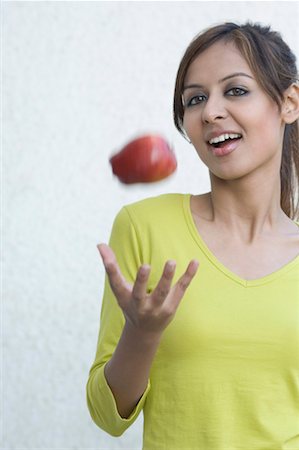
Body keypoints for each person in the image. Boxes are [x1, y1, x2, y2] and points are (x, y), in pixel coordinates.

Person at [86, 22, 299, 449]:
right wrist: (141, 335)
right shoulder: (143, 226)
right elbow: (108, 417)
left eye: (235, 90)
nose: (210, 112)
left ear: (289, 103)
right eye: (195, 99)